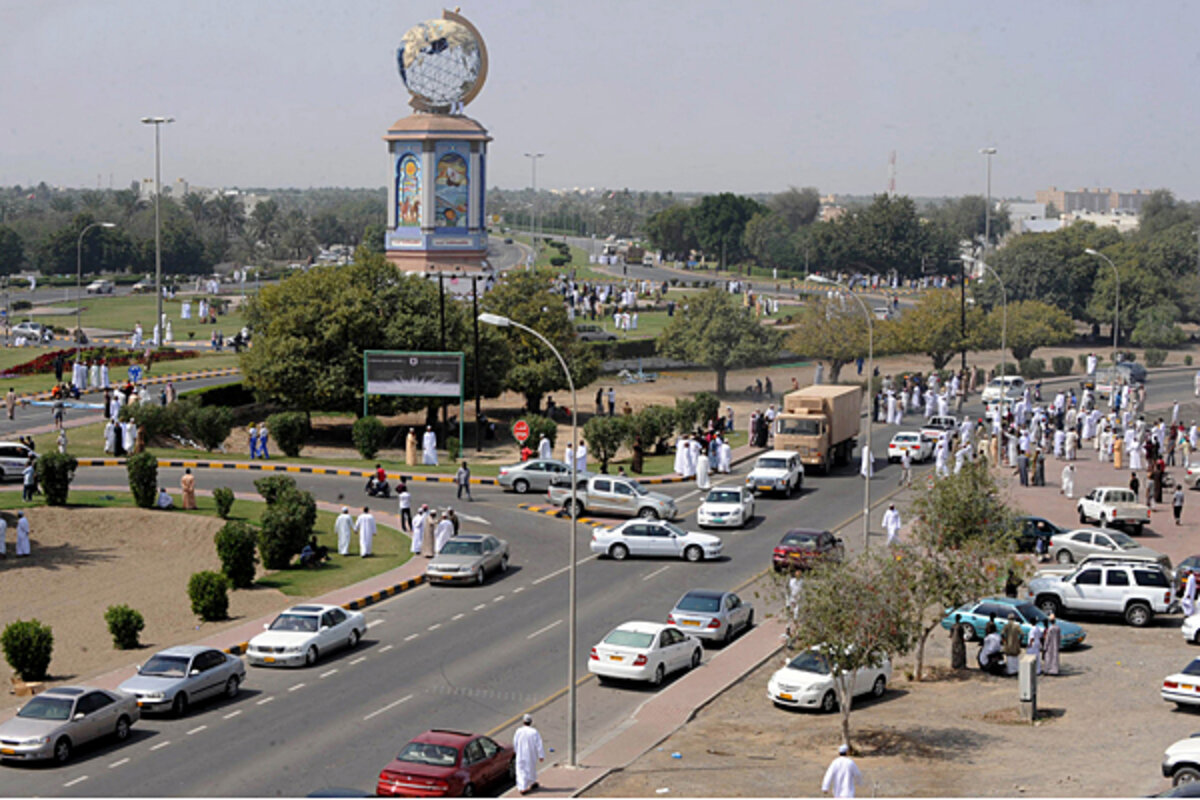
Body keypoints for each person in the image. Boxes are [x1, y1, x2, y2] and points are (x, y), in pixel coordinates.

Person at [512, 714, 545, 795]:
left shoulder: (518, 731)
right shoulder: (534, 732)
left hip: (521, 754)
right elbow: (539, 744)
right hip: (530, 754)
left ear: (523, 721)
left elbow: (515, 742)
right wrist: (541, 755)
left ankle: (529, 784)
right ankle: (523, 787)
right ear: (531, 722)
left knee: (521, 770)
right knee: (530, 769)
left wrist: (516, 751)